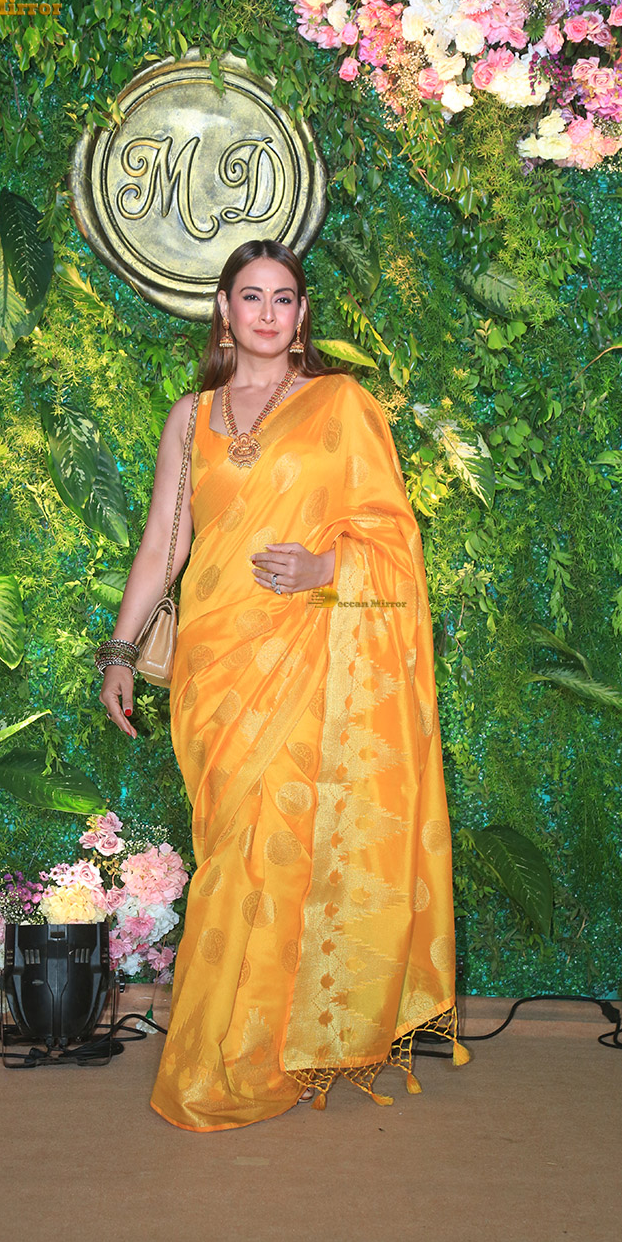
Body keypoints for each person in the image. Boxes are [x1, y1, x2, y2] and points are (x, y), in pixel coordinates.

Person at [98, 239, 465, 1132]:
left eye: (285, 297)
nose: (268, 312)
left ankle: (246, 1057)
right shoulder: (191, 416)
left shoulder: (343, 406)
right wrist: (119, 652)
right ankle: (237, 1043)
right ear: (224, 310)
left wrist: (325, 569)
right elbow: (164, 543)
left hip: (311, 652)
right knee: (231, 846)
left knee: (287, 849)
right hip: (217, 663)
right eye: (252, 296)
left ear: (302, 316)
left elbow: (395, 541)